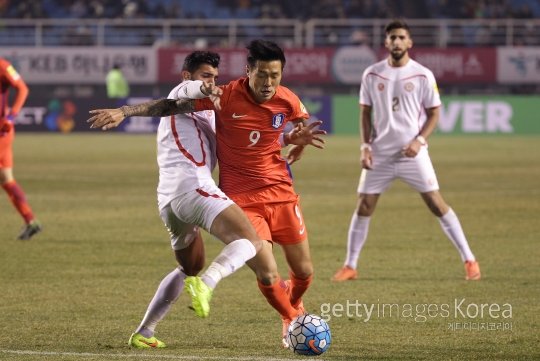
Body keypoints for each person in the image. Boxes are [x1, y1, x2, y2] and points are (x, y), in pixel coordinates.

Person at [87, 40, 326, 348]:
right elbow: (174, 101)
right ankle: (287, 318)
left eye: (274, 75)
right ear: (248, 71)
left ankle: (144, 332)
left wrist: (293, 138)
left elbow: (255, 139)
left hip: (194, 198)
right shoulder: (210, 95)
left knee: (194, 267)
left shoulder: (240, 107)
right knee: (257, 255)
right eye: (204, 77)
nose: (268, 82)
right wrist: (126, 110)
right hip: (211, 192)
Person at [332, 19, 481, 282]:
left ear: (410, 42)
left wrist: (419, 141)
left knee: (436, 203)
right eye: (393, 38)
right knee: (364, 206)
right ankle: (350, 266)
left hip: (412, 153)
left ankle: (470, 260)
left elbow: (435, 113)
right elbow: (365, 113)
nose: (397, 42)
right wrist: (365, 146)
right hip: (380, 152)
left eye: (402, 37)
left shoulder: (423, 74)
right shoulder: (372, 74)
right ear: (386, 42)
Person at [0, 57, 42, 240]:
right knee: (6, 179)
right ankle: (30, 221)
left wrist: (12, 116)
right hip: (5, 134)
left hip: (2, 131)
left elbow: (23, 88)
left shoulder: (3, 66)